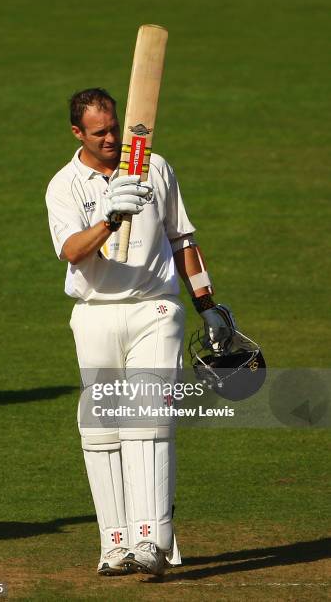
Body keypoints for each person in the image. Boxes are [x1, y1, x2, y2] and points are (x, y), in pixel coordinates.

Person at [46, 88, 233, 576]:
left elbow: (181, 239)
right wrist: (110, 218)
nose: (110, 138)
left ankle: (152, 538)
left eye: (114, 128)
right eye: (99, 132)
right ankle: (115, 544)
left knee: (147, 421)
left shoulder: (154, 167)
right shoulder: (63, 185)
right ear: (77, 133)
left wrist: (208, 305)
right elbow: (72, 251)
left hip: (155, 308)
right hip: (94, 312)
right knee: (103, 430)